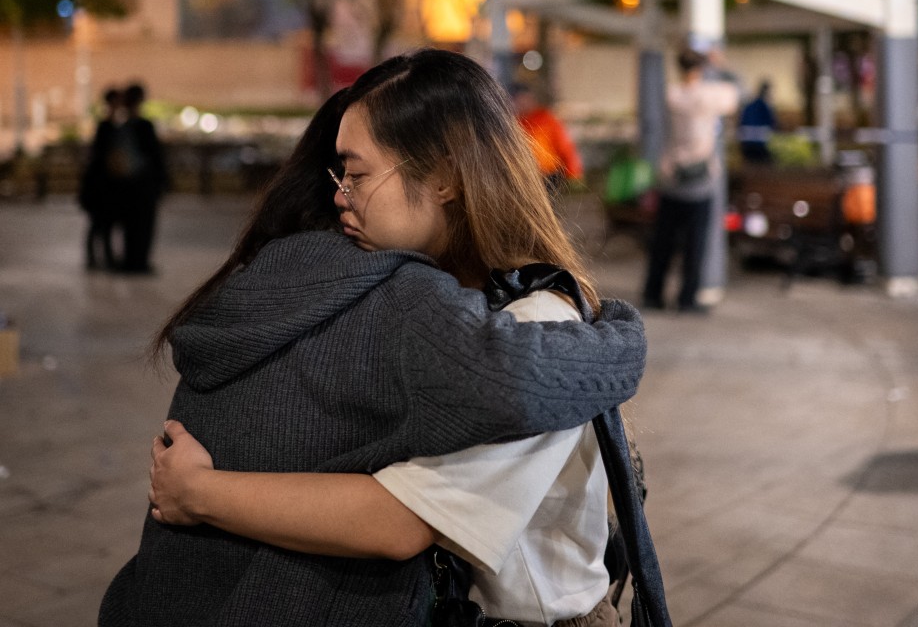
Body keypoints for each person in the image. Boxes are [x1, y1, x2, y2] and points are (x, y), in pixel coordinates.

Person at [100, 50, 647, 626]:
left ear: (444, 177)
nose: (341, 195)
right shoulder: (437, 302)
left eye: (357, 174)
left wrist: (199, 493)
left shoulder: (538, 324)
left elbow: (399, 522)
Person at [642, 48, 738, 314]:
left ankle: (653, 293)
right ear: (701, 68)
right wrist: (718, 64)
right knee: (696, 243)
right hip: (700, 181)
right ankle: (687, 298)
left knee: (663, 242)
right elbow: (734, 94)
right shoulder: (708, 95)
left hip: (671, 176)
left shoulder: (671, 94)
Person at [109, 82, 169, 273]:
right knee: (144, 225)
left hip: (126, 184)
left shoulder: (122, 127)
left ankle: (129, 260)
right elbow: (155, 156)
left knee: (129, 225)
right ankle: (139, 262)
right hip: (144, 184)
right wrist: (163, 181)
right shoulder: (144, 126)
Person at [511, 82, 584, 195]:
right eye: (517, 100)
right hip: (526, 175)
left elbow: (565, 146)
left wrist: (573, 172)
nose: (521, 103)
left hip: (548, 174)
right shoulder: (515, 123)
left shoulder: (547, 120)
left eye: (523, 99)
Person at [79, 87, 123, 269]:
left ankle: (98, 257)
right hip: (102, 182)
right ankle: (101, 258)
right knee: (101, 221)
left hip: (102, 181)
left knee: (101, 222)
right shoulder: (107, 126)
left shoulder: (108, 126)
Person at [737, 79, 777, 163]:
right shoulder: (764, 107)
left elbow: (741, 123)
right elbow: (772, 123)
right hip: (761, 144)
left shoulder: (749, 106)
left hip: (746, 144)